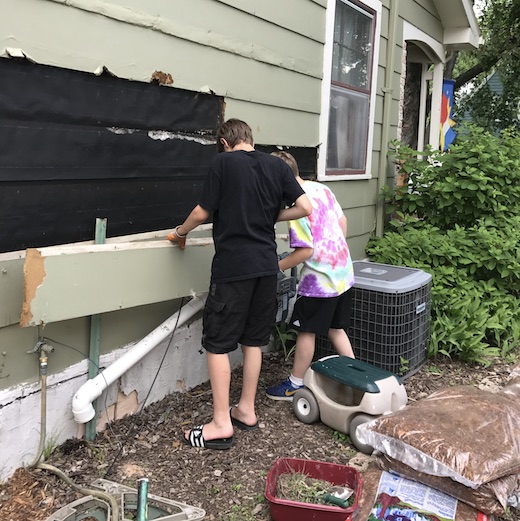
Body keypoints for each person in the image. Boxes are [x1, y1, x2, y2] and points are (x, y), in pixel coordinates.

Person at [167, 119, 312, 449]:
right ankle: (246, 409)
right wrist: (271, 215)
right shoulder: (276, 166)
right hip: (266, 267)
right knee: (253, 340)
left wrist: (179, 233)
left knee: (218, 343)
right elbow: (305, 207)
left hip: (234, 268)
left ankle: (221, 423)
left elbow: (203, 212)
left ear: (224, 142)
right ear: (250, 138)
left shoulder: (223, 162)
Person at [266, 151, 355, 401]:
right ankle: (356, 375)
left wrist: (278, 265)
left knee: (306, 330)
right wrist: (334, 252)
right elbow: (342, 220)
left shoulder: (297, 208)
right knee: (336, 329)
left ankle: (294, 383)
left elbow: (305, 251)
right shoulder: (322, 189)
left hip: (319, 282)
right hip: (342, 272)